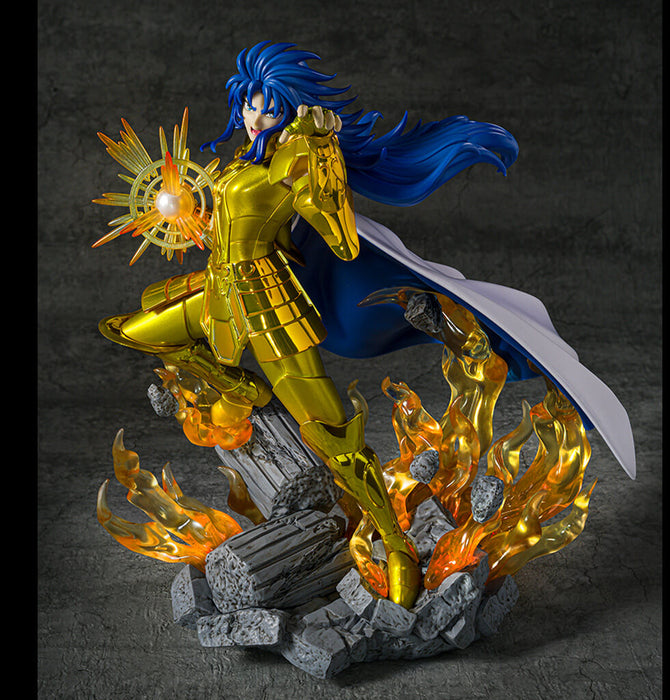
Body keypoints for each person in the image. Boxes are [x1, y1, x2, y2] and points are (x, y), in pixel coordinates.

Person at [94, 41, 634, 609]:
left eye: (270, 107)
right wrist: (195, 218)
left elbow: (341, 240)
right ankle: (238, 387)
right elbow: (238, 229)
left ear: (294, 110)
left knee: (333, 437)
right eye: (251, 104)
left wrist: (324, 156)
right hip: (218, 292)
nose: (255, 116)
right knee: (131, 330)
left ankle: (394, 543)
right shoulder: (243, 161)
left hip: (270, 305)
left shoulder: (298, 155)